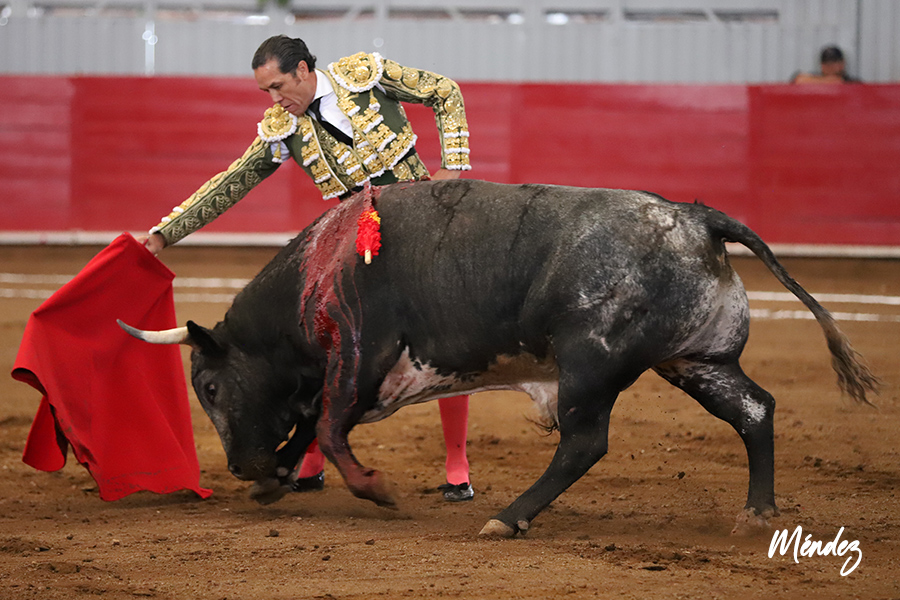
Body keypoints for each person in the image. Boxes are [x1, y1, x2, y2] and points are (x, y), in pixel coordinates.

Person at [143, 35, 474, 502]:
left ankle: (457, 465)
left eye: (278, 86)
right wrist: (164, 233)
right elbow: (232, 181)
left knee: (446, 337)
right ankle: (313, 461)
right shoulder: (282, 128)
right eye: (266, 92)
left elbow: (444, 91)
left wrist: (452, 167)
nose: (274, 100)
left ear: (302, 70)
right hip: (355, 241)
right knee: (325, 343)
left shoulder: (364, 76)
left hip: (422, 226)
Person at [791, 45, 859, 84]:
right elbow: (798, 80)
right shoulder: (816, 78)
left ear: (842, 63)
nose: (830, 67)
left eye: (833, 62)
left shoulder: (853, 83)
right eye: (826, 63)